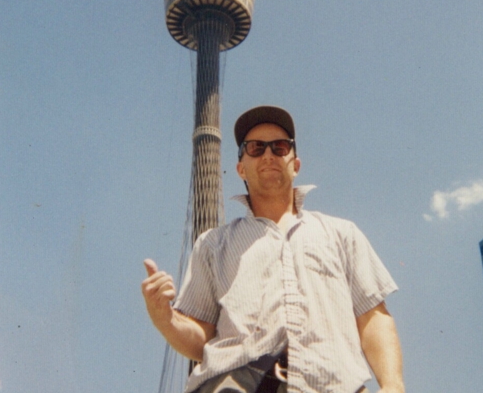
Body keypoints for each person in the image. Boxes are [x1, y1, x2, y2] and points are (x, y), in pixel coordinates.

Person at [142, 106, 404, 393]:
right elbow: (200, 338)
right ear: (241, 167)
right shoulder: (213, 244)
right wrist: (164, 319)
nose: (268, 155)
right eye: (255, 148)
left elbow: (373, 316)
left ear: (296, 164)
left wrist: (392, 385)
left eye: (280, 147)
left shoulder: (342, 234)